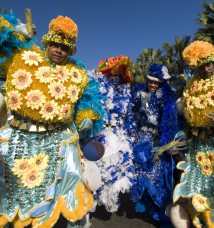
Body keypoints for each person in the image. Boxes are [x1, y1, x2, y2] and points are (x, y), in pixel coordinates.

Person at [0, 11, 105, 228]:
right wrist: (15, 31)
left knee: (67, 185)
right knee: (15, 192)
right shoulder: (26, 58)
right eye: (56, 45)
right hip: (21, 140)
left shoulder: (78, 74)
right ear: (48, 42)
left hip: (59, 140)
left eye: (65, 48)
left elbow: (89, 101)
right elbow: (4, 39)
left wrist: (87, 117)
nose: (59, 50)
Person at [172, 40, 214, 228]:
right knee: (198, 189)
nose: (207, 68)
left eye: (209, 63)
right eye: (201, 66)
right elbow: (186, 116)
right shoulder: (191, 86)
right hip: (199, 147)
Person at [130, 63, 182, 227]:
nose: (152, 85)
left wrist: (171, 142)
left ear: (161, 83)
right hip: (142, 138)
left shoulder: (167, 98)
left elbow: (172, 122)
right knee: (141, 171)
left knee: (161, 176)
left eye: (156, 82)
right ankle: (146, 202)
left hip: (160, 141)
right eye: (150, 81)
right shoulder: (138, 93)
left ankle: (163, 214)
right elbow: (132, 113)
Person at [87, 55, 137, 214]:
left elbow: (129, 116)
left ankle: (110, 198)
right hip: (101, 132)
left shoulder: (126, 94)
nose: (115, 79)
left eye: (119, 76)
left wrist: (132, 134)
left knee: (119, 167)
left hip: (120, 134)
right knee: (96, 167)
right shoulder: (98, 90)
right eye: (112, 75)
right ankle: (91, 201)